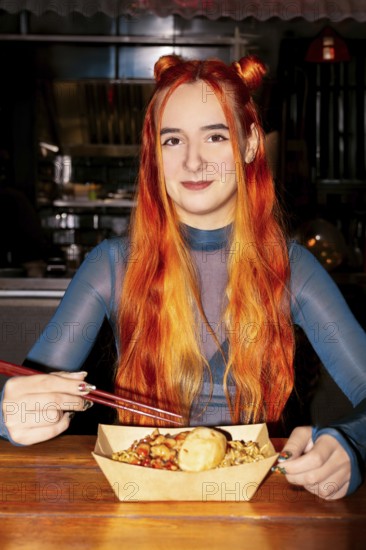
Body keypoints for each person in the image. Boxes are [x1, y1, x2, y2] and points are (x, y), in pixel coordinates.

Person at [1, 55, 365, 501]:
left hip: (256, 502)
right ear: (155, 153)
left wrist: (354, 444)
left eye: (215, 136)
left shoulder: (292, 268)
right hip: (140, 498)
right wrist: (9, 414)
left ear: (250, 143)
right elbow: (27, 384)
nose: (193, 162)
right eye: (173, 140)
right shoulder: (112, 265)